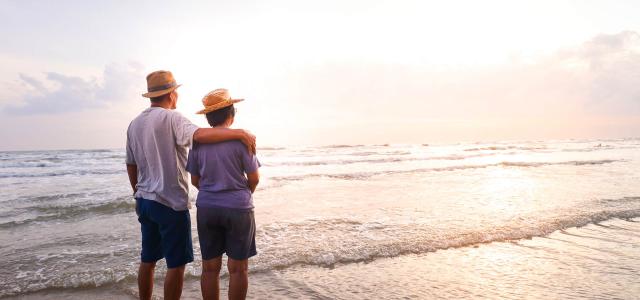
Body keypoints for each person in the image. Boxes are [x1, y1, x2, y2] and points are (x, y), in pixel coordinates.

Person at [125, 71, 256, 300]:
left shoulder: (134, 124)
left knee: (148, 260)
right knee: (176, 264)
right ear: (171, 94)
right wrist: (239, 133)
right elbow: (199, 135)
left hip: (145, 200)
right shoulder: (171, 118)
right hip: (169, 202)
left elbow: (131, 164)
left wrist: (137, 191)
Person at [186, 89, 260, 300]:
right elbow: (254, 178)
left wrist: (213, 192)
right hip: (238, 207)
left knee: (209, 268)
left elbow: (195, 180)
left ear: (208, 118)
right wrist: (243, 193)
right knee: (238, 269)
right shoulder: (242, 140)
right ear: (232, 115)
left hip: (208, 207)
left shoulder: (198, 144)